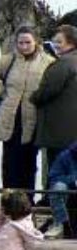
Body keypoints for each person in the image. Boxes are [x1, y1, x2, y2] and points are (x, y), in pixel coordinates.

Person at [0, 26, 54, 190]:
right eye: (21, 43)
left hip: (33, 119)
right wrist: (2, 91)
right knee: (9, 162)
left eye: (28, 42)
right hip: (11, 119)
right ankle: (9, 199)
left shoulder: (48, 62)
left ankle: (27, 202)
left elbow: (52, 85)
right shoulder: (9, 60)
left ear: (36, 42)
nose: (24, 46)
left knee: (29, 162)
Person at [32, 25, 77, 177]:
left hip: (60, 133)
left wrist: (33, 97)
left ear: (71, 43)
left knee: (58, 175)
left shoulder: (63, 63)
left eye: (59, 41)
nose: (55, 45)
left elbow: (46, 91)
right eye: (54, 41)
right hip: (72, 133)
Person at [45, 140, 77, 238]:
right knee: (58, 187)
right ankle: (60, 224)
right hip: (70, 191)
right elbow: (53, 177)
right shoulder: (65, 156)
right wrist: (73, 180)